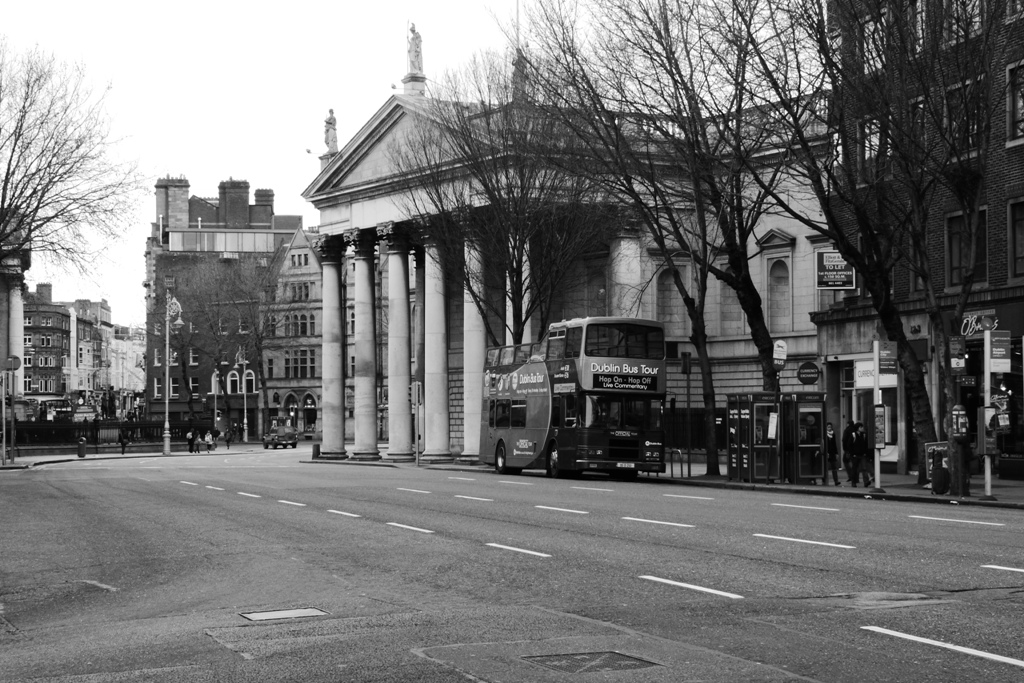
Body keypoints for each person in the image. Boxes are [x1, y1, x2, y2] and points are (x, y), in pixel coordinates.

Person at [824, 422, 840, 486]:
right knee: (825, 467)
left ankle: (836, 481)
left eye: (830, 427)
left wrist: (836, 453)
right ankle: (824, 480)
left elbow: (834, 444)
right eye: (828, 427)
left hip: (832, 453)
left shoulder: (833, 434)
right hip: (826, 452)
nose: (829, 428)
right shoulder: (824, 434)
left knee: (834, 467)